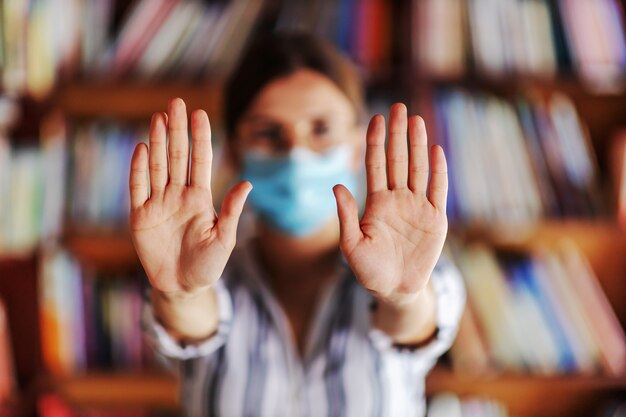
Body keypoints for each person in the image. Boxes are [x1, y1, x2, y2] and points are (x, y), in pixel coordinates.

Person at [129, 32, 465, 417]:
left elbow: (411, 328)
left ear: (357, 147)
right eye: (269, 133)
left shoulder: (419, 265)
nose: (296, 154)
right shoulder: (203, 266)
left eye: (321, 129)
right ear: (235, 153)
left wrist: (403, 297)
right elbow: (192, 325)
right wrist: (181, 293)